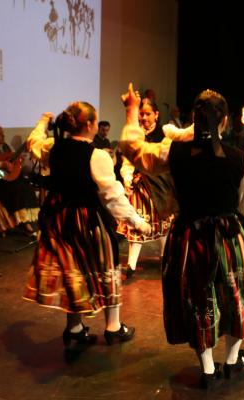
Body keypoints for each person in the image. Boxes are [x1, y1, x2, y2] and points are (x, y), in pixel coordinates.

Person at [119, 84, 244, 389]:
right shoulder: (243, 160)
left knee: (200, 302)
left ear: (194, 120)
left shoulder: (174, 153)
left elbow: (132, 149)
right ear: (224, 121)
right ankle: (233, 359)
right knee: (235, 299)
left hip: (189, 239)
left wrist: (132, 111)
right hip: (229, 238)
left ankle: (208, 369)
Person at [25, 102, 152, 347]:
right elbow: (113, 197)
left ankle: (74, 327)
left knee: (72, 271)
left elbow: (34, 142)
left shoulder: (54, 147)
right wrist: (138, 222)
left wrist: (43, 121)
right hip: (86, 222)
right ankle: (113, 327)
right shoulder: (97, 156)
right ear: (90, 125)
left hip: (58, 220)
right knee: (106, 265)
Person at [117, 99, 173, 278]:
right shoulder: (136, 134)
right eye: (141, 114)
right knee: (138, 224)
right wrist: (127, 177)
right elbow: (127, 160)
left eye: (148, 114)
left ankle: (164, 258)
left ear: (156, 114)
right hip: (140, 188)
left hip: (161, 187)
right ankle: (131, 265)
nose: (144, 117)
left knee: (163, 225)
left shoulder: (166, 135)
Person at [0, 124, 39, 235]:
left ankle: (25, 220)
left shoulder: (6, 146)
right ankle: (20, 221)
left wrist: (22, 159)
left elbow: (16, 161)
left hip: (10, 174)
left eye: (3, 133)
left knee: (25, 184)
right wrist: (2, 164)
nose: (3, 136)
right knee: (11, 186)